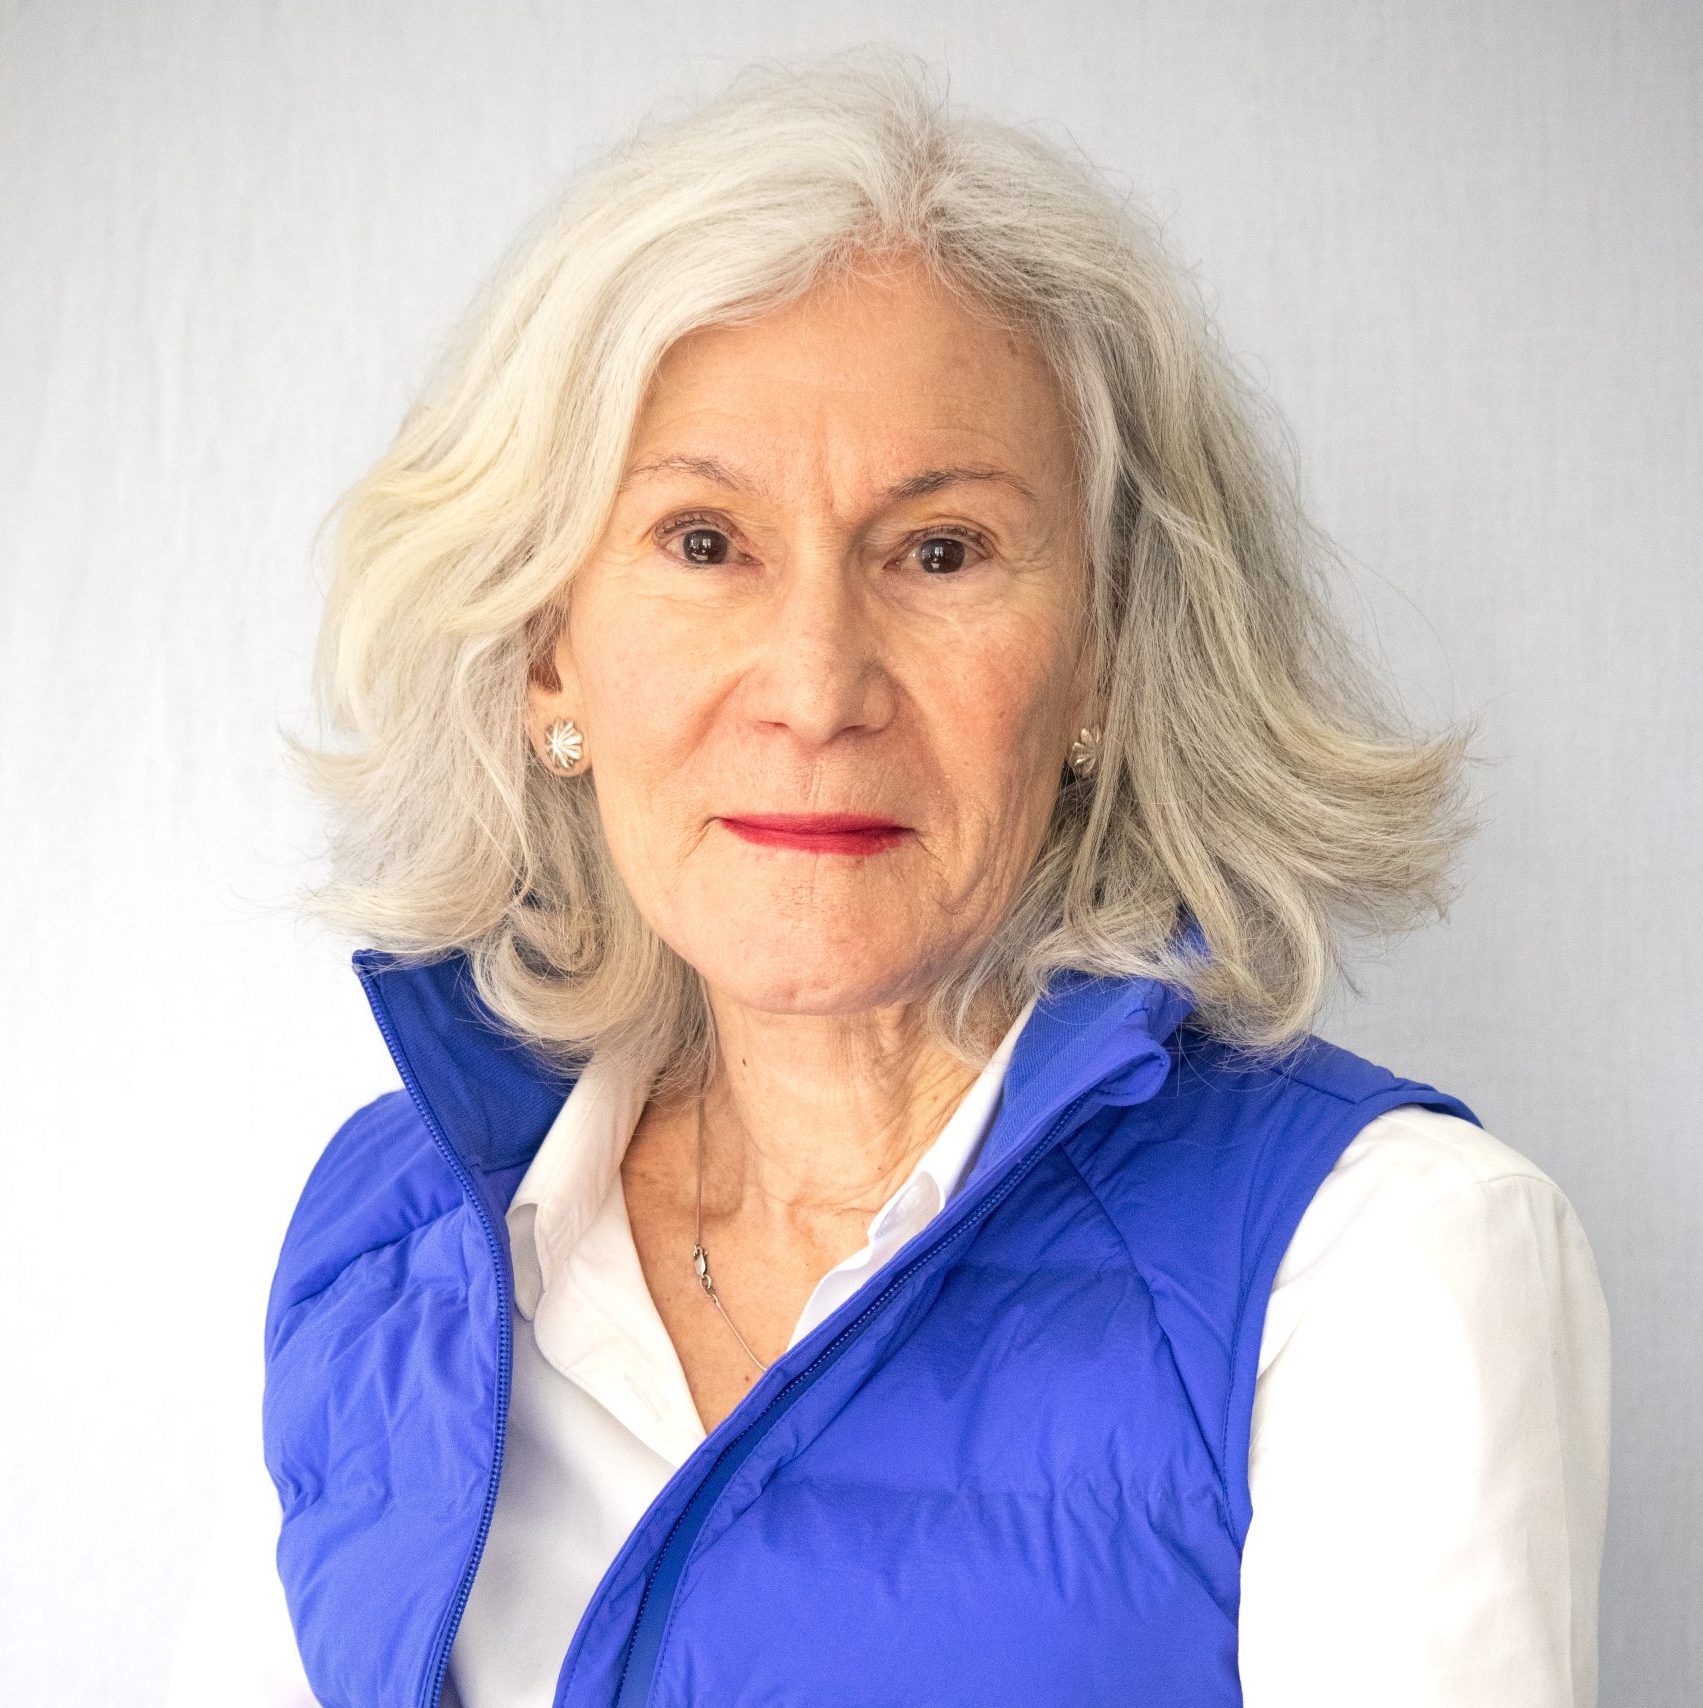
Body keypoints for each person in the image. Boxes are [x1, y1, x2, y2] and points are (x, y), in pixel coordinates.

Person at [166, 46, 1610, 1708]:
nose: (815, 684)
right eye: (704, 543)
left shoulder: (1381, 1262)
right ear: (548, 654)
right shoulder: (394, 1231)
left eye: (939, 552)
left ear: (1107, 660)